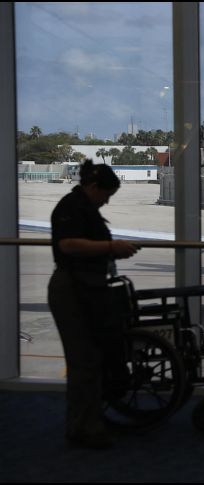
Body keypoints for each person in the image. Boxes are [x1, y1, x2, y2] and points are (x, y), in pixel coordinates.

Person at [48, 159, 139, 449]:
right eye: (105, 195)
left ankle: (88, 422)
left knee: (91, 360)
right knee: (83, 362)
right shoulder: (71, 207)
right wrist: (112, 247)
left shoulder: (83, 207)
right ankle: (82, 428)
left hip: (87, 287)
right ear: (92, 187)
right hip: (72, 289)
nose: (106, 202)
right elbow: (68, 245)